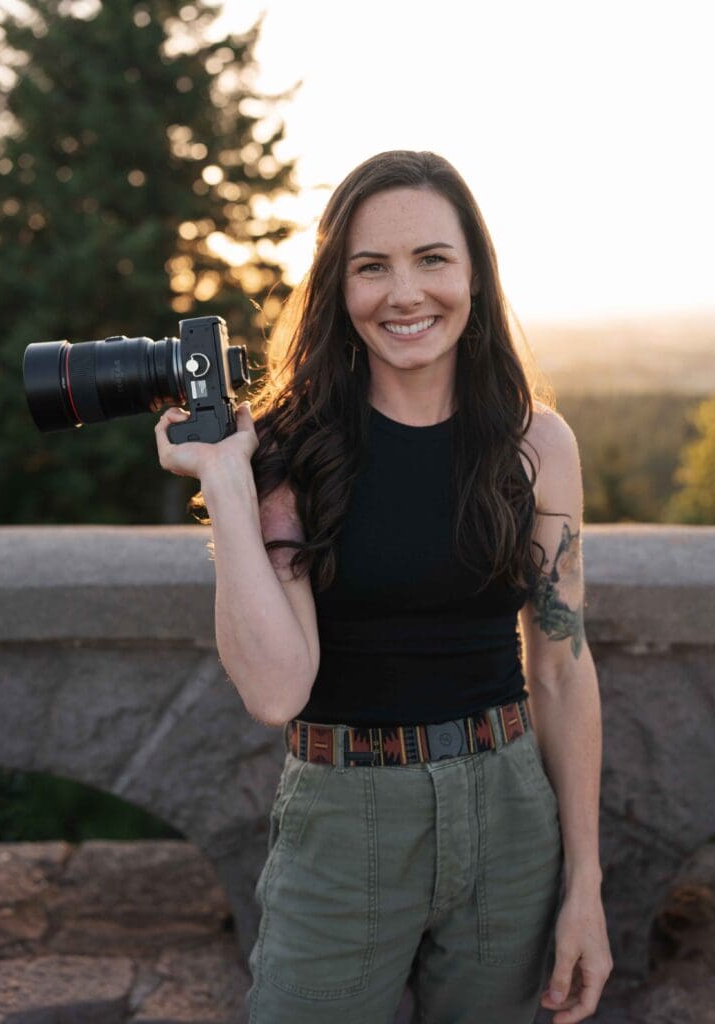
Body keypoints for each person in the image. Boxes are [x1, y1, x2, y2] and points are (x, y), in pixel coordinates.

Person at [155, 150, 612, 1024]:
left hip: (513, 820)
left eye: (432, 259)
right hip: (344, 821)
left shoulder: (535, 445)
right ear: (338, 287)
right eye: (372, 267)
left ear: (473, 273)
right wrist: (223, 479)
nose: (405, 294)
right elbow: (274, 689)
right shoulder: (286, 453)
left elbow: (560, 668)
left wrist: (584, 885)